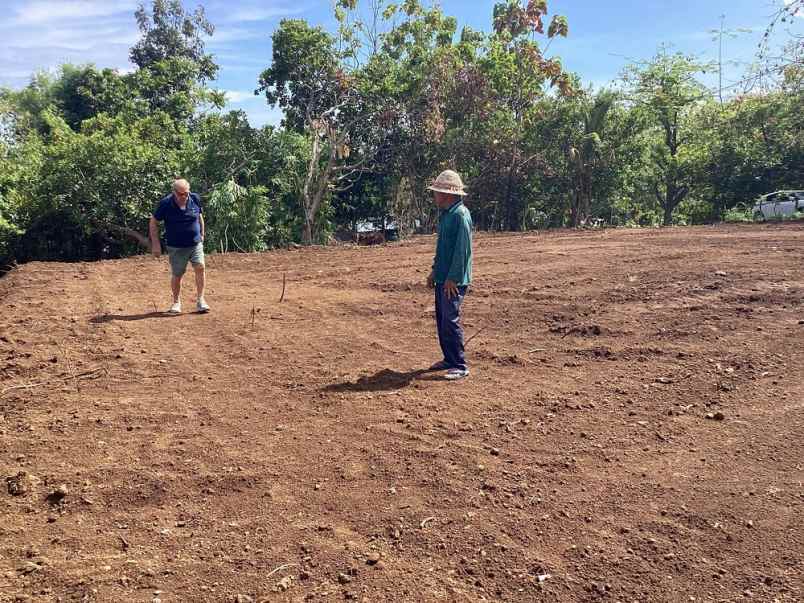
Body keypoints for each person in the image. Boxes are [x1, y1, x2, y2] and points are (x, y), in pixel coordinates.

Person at [426, 170, 473, 380]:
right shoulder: (447, 215)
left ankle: (460, 365)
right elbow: (442, 249)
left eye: (437, 192)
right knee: (442, 319)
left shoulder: (460, 215)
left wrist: (453, 278)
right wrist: (434, 271)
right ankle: (449, 359)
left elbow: (462, 250)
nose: (435, 196)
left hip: (453, 281)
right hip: (443, 278)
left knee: (450, 320)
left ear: (447, 194)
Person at [149, 179, 210, 314]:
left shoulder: (194, 198)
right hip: (176, 246)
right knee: (178, 274)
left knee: (200, 267)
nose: (184, 197)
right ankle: (176, 302)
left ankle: (201, 300)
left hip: (195, 243)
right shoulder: (165, 204)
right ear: (174, 192)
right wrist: (155, 244)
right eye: (180, 194)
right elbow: (153, 222)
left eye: (186, 193)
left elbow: (199, 217)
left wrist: (202, 234)